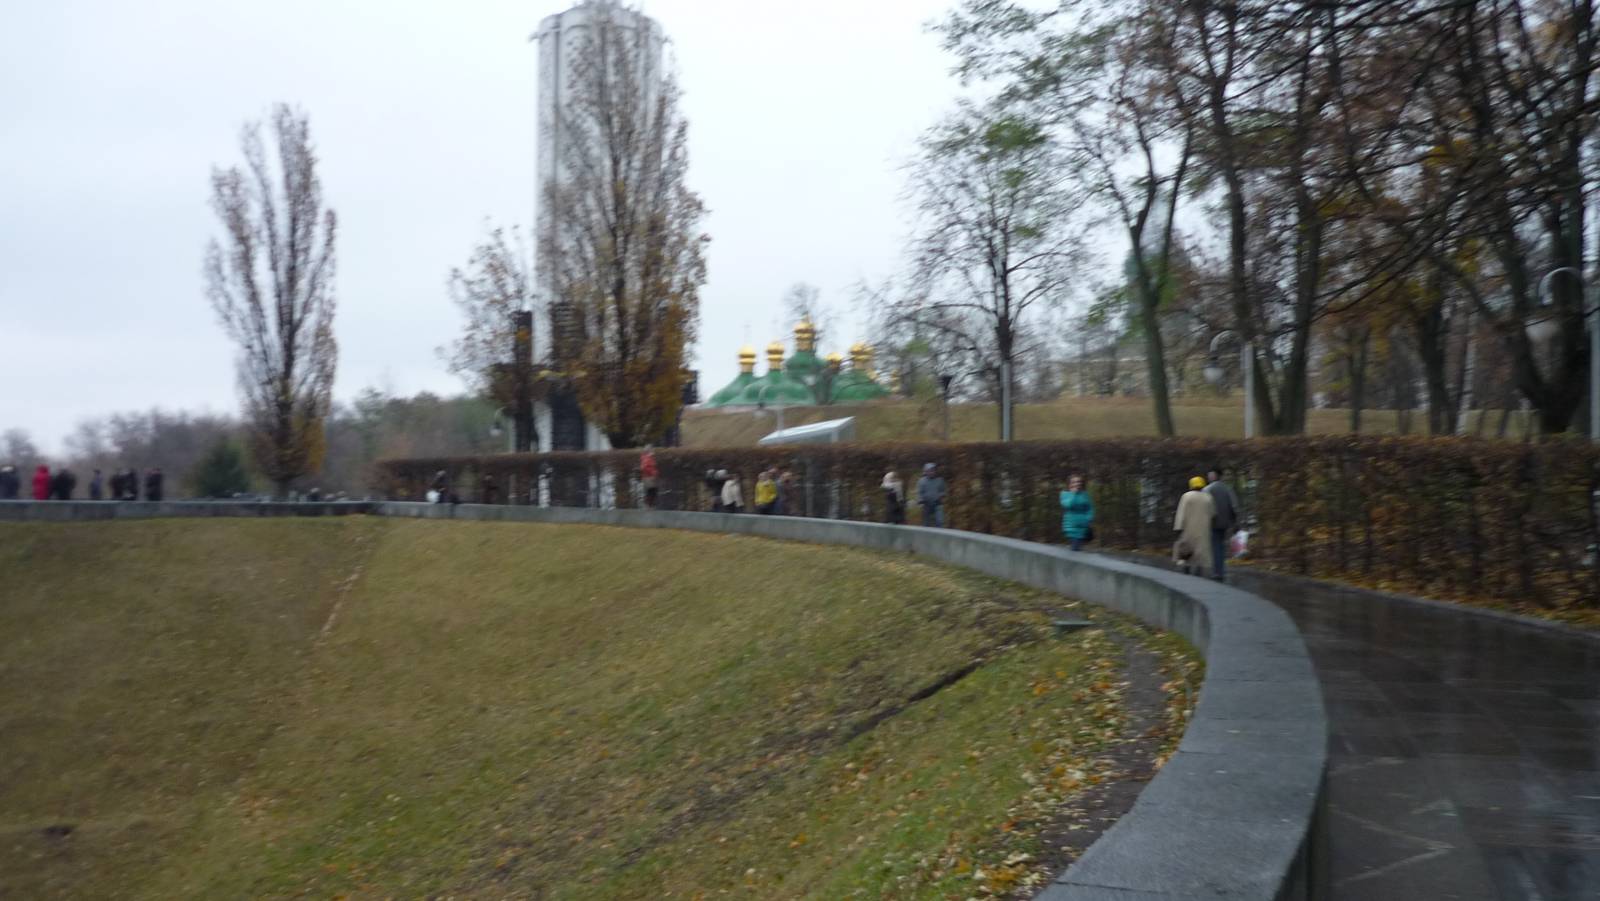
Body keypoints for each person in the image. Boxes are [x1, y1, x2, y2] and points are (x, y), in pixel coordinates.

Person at [1205, 465, 1242, 582]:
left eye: (1210, 475)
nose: (1209, 477)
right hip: (1225, 522)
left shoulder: (1208, 489)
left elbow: (1204, 507)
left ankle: (1217, 572)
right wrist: (1235, 522)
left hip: (1212, 522)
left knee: (1215, 546)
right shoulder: (1228, 489)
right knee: (1221, 546)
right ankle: (1221, 571)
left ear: (1215, 475)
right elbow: (1234, 506)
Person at [1173, 476, 1215, 576]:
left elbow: (1181, 513)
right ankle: (1198, 568)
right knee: (1201, 548)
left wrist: (1178, 526)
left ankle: (1186, 566)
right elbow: (1213, 513)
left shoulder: (1186, 496)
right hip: (1203, 528)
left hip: (1188, 527)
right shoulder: (1208, 497)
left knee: (1187, 547)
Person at [1059, 473, 1095, 551]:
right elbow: (1068, 505)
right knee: (1076, 548)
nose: (1077, 483)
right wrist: (1074, 494)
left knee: (1078, 549)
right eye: (1074, 482)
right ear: (1069, 484)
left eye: (1078, 481)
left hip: (1083, 526)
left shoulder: (1084, 494)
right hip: (1071, 527)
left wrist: (1089, 518)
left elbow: (1089, 508)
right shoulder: (1064, 494)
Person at [916, 462, 947, 528]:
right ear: (926, 472)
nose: (931, 472)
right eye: (929, 471)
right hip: (926, 503)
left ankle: (939, 532)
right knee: (926, 522)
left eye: (933, 470)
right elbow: (919, 492)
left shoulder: (940, 480)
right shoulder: (921, 481)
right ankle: (926, 532)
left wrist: (941, 496)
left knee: (940, 521)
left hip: (937, 503)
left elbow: (943, 491)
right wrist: (920, 501)